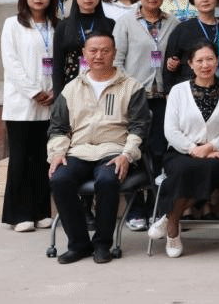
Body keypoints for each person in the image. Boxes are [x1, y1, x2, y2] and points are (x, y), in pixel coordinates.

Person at [47, 32, 150, 264]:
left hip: (114, 150)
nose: (99, 55)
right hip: (79, 150)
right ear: (84, 54)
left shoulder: (131, 87)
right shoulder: (71, 88)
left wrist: (127, 155)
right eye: (93, 51)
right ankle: (79, 244)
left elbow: (139, 127)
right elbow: (58, 127)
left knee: (107, 180)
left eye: (105, 50)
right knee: (59, 179)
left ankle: (103, 244)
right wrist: (58, 153)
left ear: (114, 53)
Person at [147, 41, 219, 258]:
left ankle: (170, 220)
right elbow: (171, 130)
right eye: (199, 60)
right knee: (184, 169)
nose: (205, 65)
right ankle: (173, 229)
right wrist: (192, 149)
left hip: (216, 153)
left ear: (217, 61)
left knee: (209, 169)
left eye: (210, 59)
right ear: (190, 64)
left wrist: (209, 147)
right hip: (181, 151)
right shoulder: (178, 91)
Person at [0, 0, 58, 232]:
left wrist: (55, 90)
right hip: (21, 103)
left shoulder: (56, 25)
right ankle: (20, 214)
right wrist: (34, 92)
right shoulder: (12, 24)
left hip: (50, 101)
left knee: (43, 158)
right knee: (21, 159)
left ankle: (41, 211)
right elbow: (11, 63)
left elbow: (61, 61)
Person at [113, 0, 177, 173]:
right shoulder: (125, 22)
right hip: (135, 95)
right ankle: (138, 190)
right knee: (136, 145)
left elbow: (179, 56)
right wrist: (129, 88)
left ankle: (156, 189)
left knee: (159, 146)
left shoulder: (173, 23)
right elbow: (116, 61)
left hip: (163, 96)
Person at [52, 0, 115, 94]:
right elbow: (58, 66)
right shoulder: (63, 26)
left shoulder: (110, 25)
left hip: (103, 87)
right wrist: (58, 98)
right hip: (71, 88)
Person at [163, 0, 219, 91]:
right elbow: (169, 67)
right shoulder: (182, 29)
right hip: (189, 91)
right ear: (192, 0)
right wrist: (168, 93)